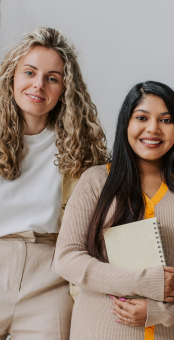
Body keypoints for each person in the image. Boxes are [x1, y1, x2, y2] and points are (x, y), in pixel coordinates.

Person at [55, 81, 174, 340]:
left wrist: (165, 311)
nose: (153, 128)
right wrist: (141, 282)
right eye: (141, 117)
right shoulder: (95, 182)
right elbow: (68, 257)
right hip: (101, 331)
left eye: (166, 120)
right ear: (126, 123)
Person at [0, 27, 109, 340]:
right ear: (12, 77)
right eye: (30, 72)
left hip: (49, 277)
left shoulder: (80, 147)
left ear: (64, 88)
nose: (38, 85)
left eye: (52, 77)